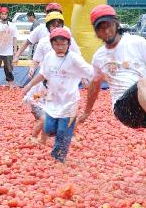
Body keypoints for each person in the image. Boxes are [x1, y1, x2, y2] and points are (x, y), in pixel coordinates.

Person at [80, 4, 146, 159]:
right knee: (142, 83)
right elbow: (94, 88)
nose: (106, 31)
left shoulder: (137, 42)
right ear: (96, 32)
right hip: (124, 109)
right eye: (100, 28)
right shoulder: (99, 57)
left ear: (116, 23)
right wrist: (86, 113)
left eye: (108, 25)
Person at [22, 28, 93, 163]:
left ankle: (59, 158)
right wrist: (29, 85)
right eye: (56, 44)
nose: (60, 47)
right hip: (53, 101)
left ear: (68, 44)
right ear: (52, 44)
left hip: (70, 102)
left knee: (63, 132)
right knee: (48, 128)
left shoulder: (74, 58)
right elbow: (43, 74)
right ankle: (57, 137)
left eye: (63, 44)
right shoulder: (49, 56)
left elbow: (90, 71)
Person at [0, 6, 18, 89]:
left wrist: (15, 50)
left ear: (7, 15)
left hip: (8, 52)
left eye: (5, 14)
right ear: (0, 15)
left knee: (9, 69)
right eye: (2, 14)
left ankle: (11, 85)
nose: (4, 15)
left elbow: (15, 38)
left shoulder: (13, 26)